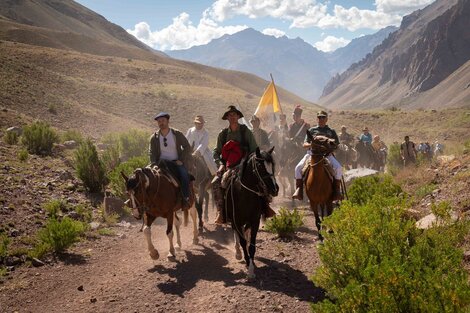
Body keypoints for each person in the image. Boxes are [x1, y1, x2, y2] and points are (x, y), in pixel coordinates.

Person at [212, 106, 275, 224]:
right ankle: (221, 211)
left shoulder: (245, 131)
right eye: (230, 115)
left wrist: (248, 162)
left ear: (238, 117)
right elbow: (216, 151)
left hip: (245, 163)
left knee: (260, 178)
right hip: (228, 166)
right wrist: (220, 164)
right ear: (227, 118)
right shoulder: (223, 134)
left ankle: (266, 206)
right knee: (215, 182)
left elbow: (253, 149)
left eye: (234, 115)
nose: (232, 117)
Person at [292, 110, 343, 201]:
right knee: (297, 168)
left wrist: (329, 143)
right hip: (312, 154)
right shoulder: (312, 130)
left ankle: (336, 191)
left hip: (327, 155)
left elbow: (337, 145)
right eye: (319, 117)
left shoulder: (331, 131)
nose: (321, 119)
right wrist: (312, 145)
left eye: (323, 117)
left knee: (338, 167)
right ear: (317, 119)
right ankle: (299, 190)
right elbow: (304, 144)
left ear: (327, 119)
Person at [149, 112, 192, 207]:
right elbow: (151, 152)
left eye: (163, 120)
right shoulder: (154, 137)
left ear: (168, 121)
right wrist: (153, 164)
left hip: (176, 162)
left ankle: (186, 198)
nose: (161, 123)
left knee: (184, 175)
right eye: (159, 121)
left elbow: (187, 147)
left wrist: (181, 160)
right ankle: (148, 202)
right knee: (147, 176)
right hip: (161, 163)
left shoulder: (177, 134)